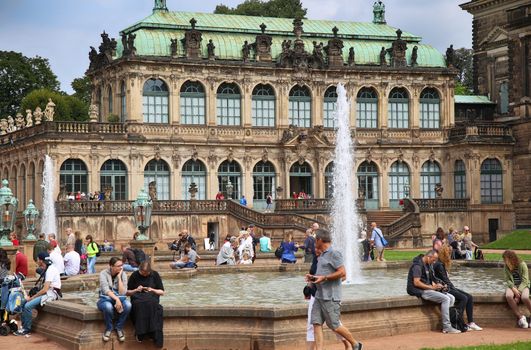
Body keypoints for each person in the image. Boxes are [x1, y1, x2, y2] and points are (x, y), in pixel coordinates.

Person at [307, 229, 362, 350]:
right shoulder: (322, 255)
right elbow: (322, 274)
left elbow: (343, 273)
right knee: (316, 323)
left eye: (316, 239)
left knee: (334, 325)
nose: (314, 242)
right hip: (319, 296)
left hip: (330, 297)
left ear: (320, 240)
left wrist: (325, 278)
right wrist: (313, 278)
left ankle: (355, 344)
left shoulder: (334, 253)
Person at [406, 250, 460, 334]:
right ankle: (447, 327)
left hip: (427, 289)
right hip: (418, 290)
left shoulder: (428, 265)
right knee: (446, 299)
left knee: (452, 297)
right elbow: (416, 282)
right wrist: (431, 287)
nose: (434, 262)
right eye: (433, 259)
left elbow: (433, 279)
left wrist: (440, 285)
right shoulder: (417, 265)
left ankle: (447, 324)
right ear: (428, 257)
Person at [433, 245, 483, 331]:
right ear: (445, 254)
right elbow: (445, 281)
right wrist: (454, 289)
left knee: (469, 297)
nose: (450, 255)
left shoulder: (441, 264)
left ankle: (471, 322)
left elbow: (446, 280)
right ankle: (459, 322)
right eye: (449, 253)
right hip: (445, 289)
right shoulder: (439, 265)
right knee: (464, 298)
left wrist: (454, 288)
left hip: (448, 287)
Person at [15, 252, 61, 336]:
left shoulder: (50, 270)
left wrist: (32, 298)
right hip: (48, 292)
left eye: (37, 259)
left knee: (27, 306)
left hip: (51, 294)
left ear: (41, 260)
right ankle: (23, 326)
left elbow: (45, 289)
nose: (36, 261)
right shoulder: (48, 268)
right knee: (23, 302)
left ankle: (26, 329)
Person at [127, 261, 164, 346]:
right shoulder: (134, 275)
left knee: (151, 304)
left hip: (151, 297)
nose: (144, 275)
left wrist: (152, 289)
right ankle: (141, 332)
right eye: (143, 273)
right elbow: (127, 293)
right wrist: (136, 290)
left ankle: (152, 332)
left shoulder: (155, 275)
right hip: (138, 297)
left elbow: (162, 292)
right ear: (139, 270)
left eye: (147, 273)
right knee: (140, 305)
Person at [97, 257, 131, 342]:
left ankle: (119, 327)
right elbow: (105, 290)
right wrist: (117, 299)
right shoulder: (103, 273)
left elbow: (123, 292)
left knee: (128, 305)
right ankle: (109, 328)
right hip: (105, 299)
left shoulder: (123, 274)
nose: (121, 267)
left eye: (121, 265)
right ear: (111, 266)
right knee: (108, 307)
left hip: (120, 298)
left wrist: (119, 278)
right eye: (118, 266)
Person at [502, 250, 531, 328]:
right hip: (512, 286)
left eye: (505, 259)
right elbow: (507, 280)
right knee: (508, 296)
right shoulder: (506, 266)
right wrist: (513, 289)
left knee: (524, 297)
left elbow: (525, 280)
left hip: (523, 285)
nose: (504, 261)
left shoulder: (522, 264)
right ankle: (521, 317)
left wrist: (518, 293)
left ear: (511, 258)